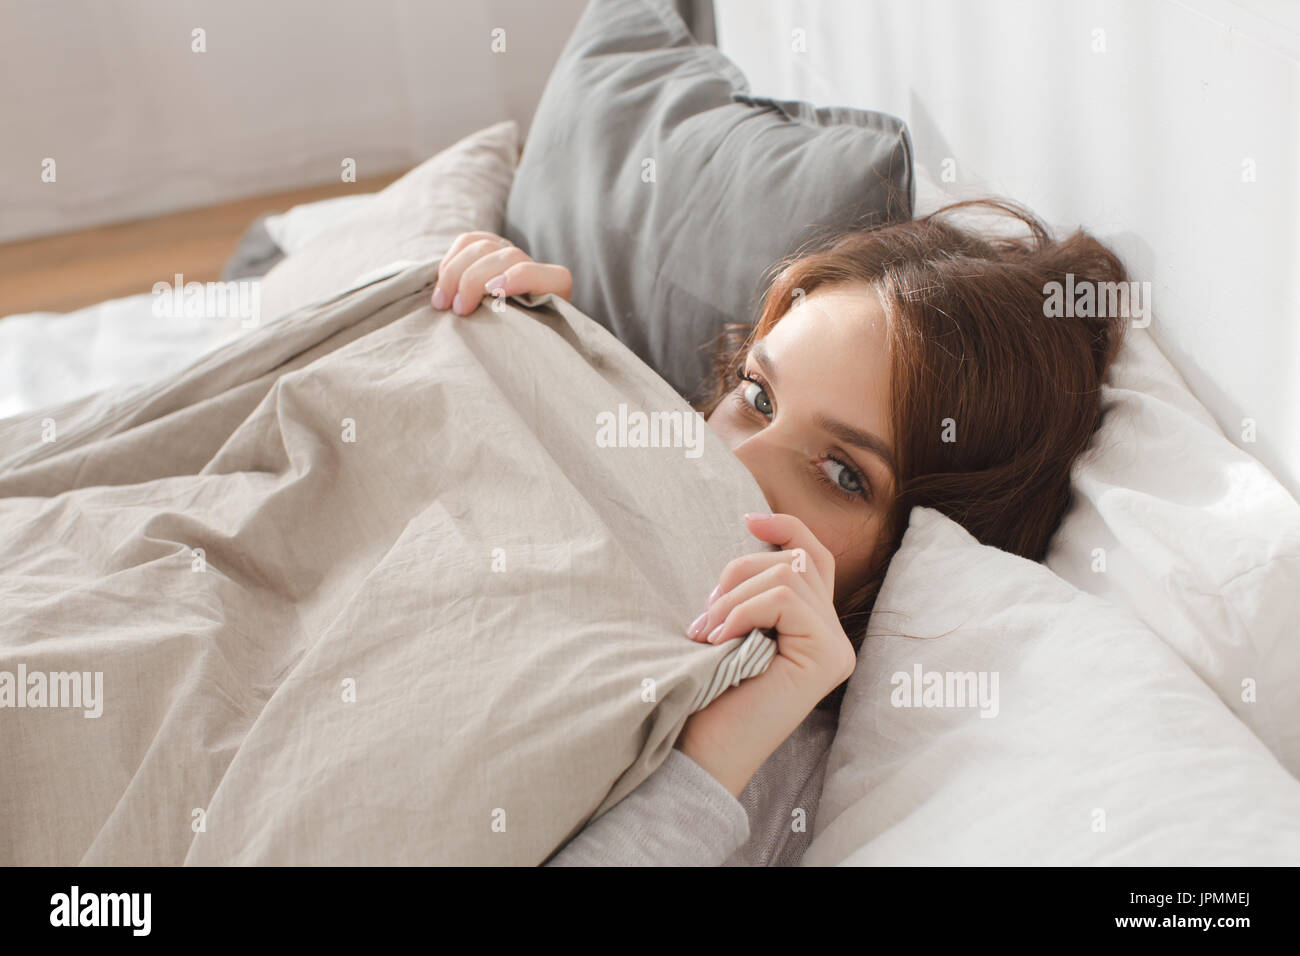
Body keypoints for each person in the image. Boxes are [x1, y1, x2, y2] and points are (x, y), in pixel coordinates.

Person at [429, 197, 1131, 865]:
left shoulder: (781, 765)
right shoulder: (624, 446)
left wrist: (710, 764)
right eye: (759, 397)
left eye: (843, 473)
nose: (735, 458)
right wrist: (521, 350)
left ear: (917, 553)